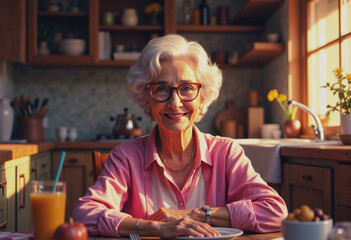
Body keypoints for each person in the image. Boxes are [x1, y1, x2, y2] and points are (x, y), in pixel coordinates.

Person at [72, 34, 288, 238]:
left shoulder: (226, 153)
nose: (175, 103)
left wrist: (199, 214)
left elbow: (276, 213)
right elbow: (84, 215)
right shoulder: (126, 157)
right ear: (146, 99)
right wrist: (155, 227)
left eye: (186, 88)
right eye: (161, 89)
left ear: (202, 99)